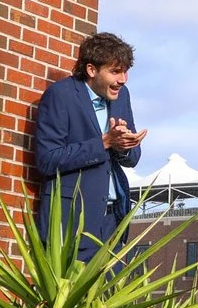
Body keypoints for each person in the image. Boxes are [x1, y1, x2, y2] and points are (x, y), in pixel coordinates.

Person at [30, 32, 148, 261]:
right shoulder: (60, 95)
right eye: (115, 71)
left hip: (112, 223)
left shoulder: (122, 96)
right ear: (92, 70)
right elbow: (47, 160)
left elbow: (132, 159)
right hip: (70, 224)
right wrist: (104, 142)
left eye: (125, 71)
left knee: (111, 294)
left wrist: (124, 145)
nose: (123, 79)